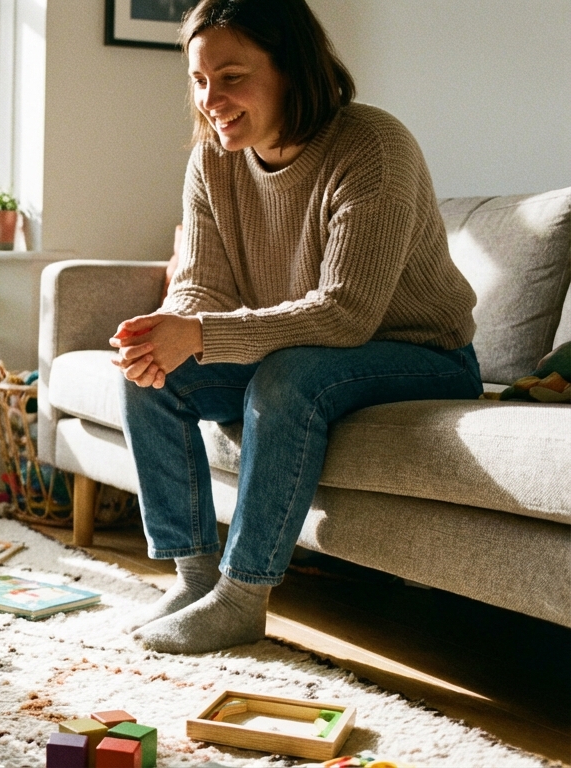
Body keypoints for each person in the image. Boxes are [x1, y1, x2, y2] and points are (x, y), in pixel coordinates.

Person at [112, 0, 482, 654]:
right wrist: (170, 328)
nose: (211, 99)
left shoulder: (371, 145)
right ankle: (194, 577)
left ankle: (243, 595)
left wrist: (198, 334)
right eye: (199, 80)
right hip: (302, 345)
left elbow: (345, 312)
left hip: (418, 352)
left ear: (292, 69)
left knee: (287, 380)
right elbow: (206, 281)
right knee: (149, 375)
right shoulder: (213, 161)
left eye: (231, 77)